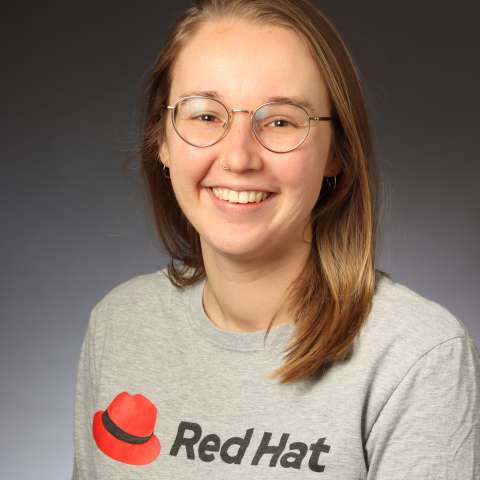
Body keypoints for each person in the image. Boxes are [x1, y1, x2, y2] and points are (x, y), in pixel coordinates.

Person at [72, 0, 480, 478]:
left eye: (281, 121)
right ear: (162, 138)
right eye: (205, 116)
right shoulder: (119, 327)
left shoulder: (417, 357)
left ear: (336, 153)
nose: (239, 157)